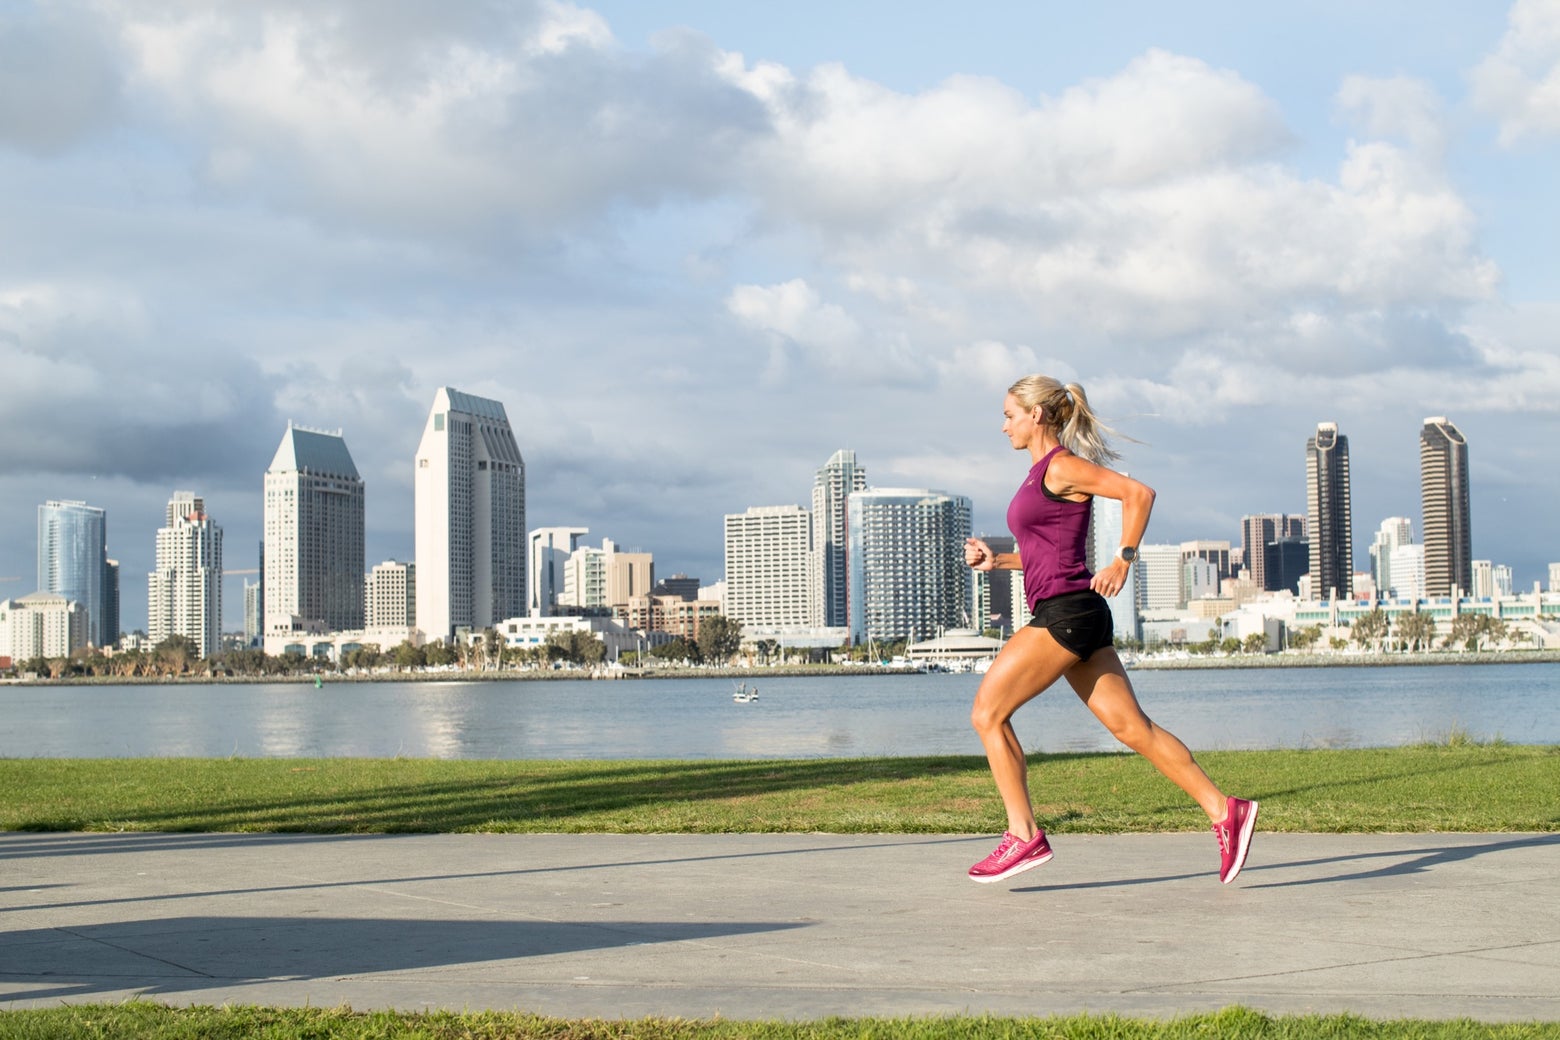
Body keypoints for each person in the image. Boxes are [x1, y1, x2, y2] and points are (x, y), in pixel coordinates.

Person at [962, 374, 1257, 885]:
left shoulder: (1062, 467)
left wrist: (1123, 559)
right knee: (1131, 729)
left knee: (988, 714)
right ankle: (1223, 809)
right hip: (1075, 611)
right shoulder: (1040, 475)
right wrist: (999, 560)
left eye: (1009, 414)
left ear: (1036, 415)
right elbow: (1046, 555)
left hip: (1066, 614)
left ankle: (1023, 834)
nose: (1003, 424)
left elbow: (1138, 494)